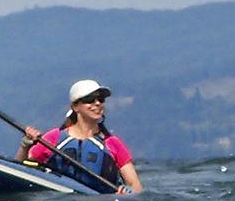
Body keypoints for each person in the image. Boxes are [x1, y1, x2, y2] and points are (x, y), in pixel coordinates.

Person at [15, 79, 143, 194]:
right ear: (75, 107)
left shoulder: (112, 143)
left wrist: (127, 194)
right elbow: (21, 169)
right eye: (90, 100)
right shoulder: (54, 138)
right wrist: (25, 145)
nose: (97, 103)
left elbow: (135, 186)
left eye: (101, 99)